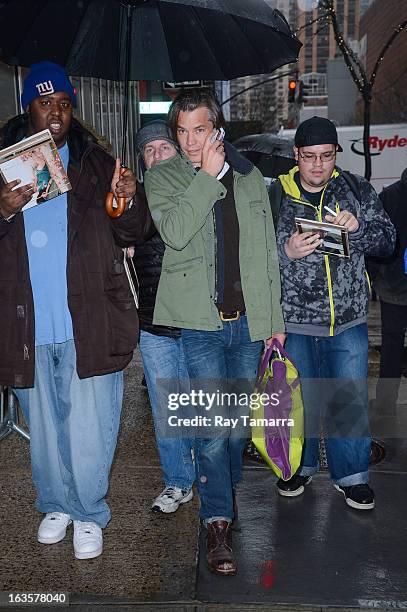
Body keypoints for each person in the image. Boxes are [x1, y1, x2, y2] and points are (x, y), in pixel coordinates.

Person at [0, 61, 153, 559]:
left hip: (89, 318)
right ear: (28, 107)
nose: (56, 114)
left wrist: (128, 203)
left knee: (90, 425)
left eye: (65, 104)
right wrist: (2, 208)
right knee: (42, 426)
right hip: (27, 322)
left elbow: (134, 232)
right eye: (46, 103)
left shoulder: (96, 162)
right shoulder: (4, 165)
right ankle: (56, 504)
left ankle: (89, 512)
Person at [144, 88, 285, 576]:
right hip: (201, 327)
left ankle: (221, 492)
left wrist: (275, 325)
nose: (187, 141)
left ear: (217, 128)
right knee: (210, 430)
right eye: (180, 131)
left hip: (248, 325)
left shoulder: (249, 177)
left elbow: (266, 254)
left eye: (198, 130)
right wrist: (204, 178)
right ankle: (217, 520)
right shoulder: (162, 177)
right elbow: (175, 232)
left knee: (236, 429)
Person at [273, 116, 395, 510]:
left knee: (349, 399)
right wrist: (285, 252)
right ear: (296, 155)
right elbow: (254, 256)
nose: (318, 165)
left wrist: (357, 229)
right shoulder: (277, 195)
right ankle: (298, 467)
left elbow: (388, 240)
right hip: (295, 319)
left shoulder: (356, 189)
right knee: (299, 401)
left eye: (326, 156)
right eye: (309, 157)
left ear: (336, 155)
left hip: (348, 320)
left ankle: (352, 477)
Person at [134, 120, 195, 513]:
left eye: (163, 147)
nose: (156, 155)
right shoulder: (134, 199)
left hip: (195, 319)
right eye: (148, 150)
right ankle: (177, 482)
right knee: (166, 407)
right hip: (153, 322)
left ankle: (212, 478)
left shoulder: (198, 190)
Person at [371, 168, 407, 414]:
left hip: (393, 285)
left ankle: (385, 404)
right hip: (393, 284)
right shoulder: (390, 195)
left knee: (392, 345)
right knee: (392, 344)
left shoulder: (391, 195)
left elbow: (378, 242)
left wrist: (373, 277)